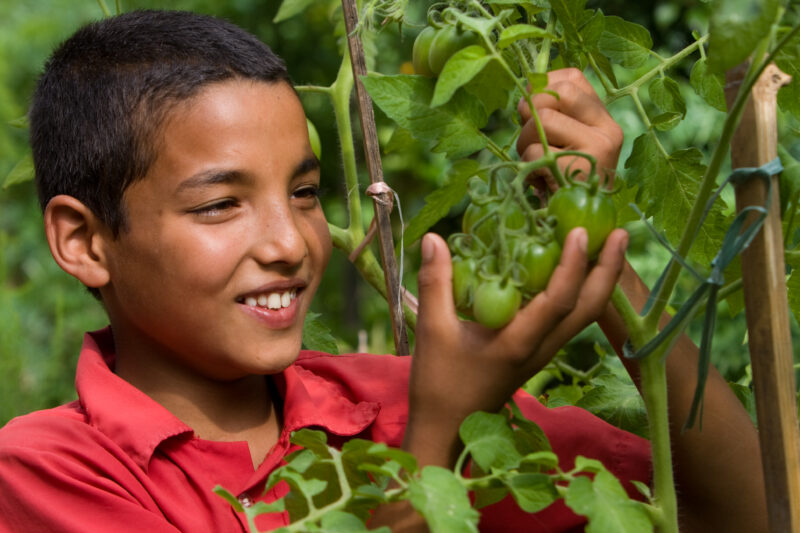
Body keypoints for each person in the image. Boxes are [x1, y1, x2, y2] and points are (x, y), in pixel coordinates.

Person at [0, 9, 763, 533]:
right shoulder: (47, 472)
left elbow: (747, 513)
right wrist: (437, 437)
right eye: (220, 205)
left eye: (303, 192)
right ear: (84, 240)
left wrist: (591, 245)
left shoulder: (382, 402)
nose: (291, 243)